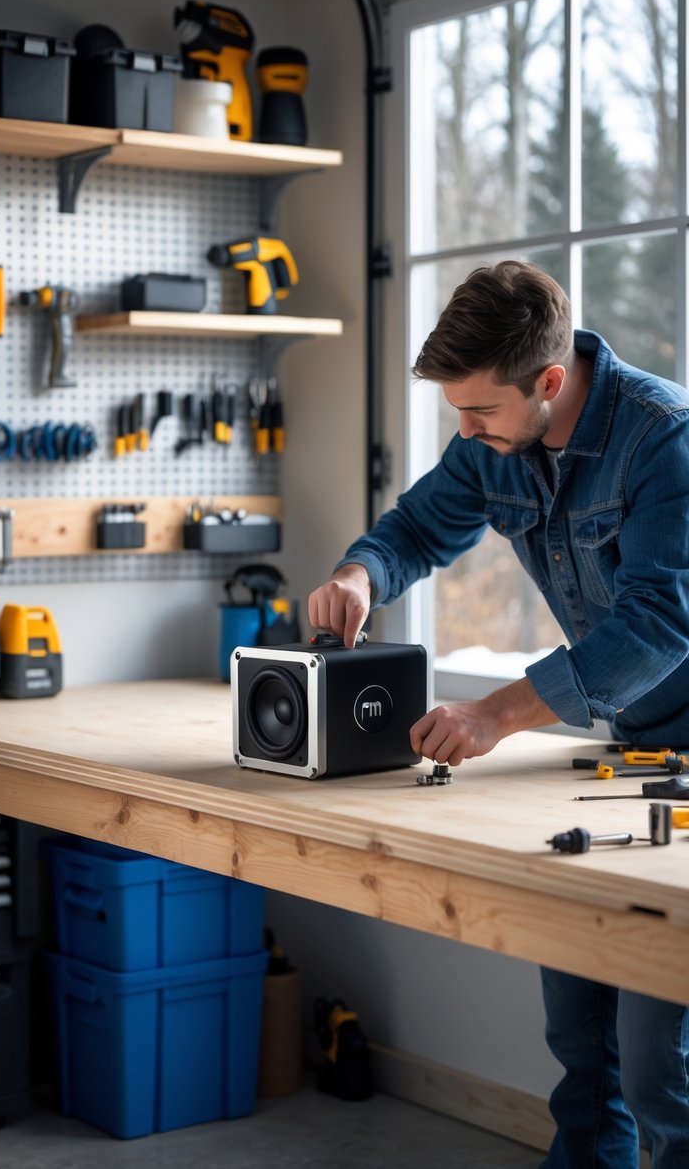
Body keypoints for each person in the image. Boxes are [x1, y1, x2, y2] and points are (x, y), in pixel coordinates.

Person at [308, 259, 689, 1169]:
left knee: (657, 1064)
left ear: (548, 382)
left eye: (478, 412)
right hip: (630, 744)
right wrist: (361, 572)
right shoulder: (497, 437)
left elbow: (657, 625)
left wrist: (495, 716)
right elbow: (414, 528)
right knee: (579, 1037)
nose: (466, 431)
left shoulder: (664, 439)